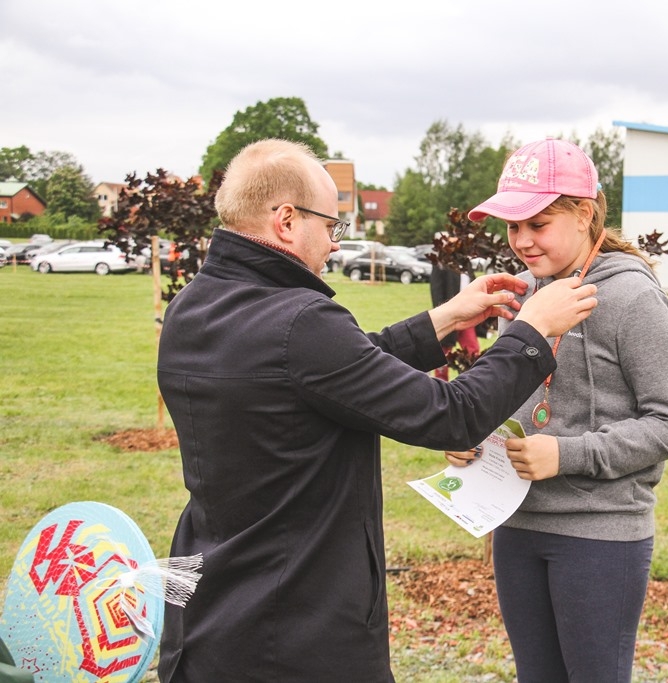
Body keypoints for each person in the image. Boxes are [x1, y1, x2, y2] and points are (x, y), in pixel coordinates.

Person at [155, 138, 598, 683]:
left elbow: (334, 375)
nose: (336, 245)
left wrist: (447, 317)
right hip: (298, 627)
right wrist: (533, 331)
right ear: (287, 222)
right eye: (332, 226)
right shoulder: (300, 322)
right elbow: (451, 414)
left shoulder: (195, 306)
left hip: (211, 610)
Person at [445, 138, 668, 683]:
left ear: (584, 214)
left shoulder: (632, 298)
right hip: (514, 526)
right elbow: (513, 394)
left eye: (538, 224)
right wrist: (475, 432)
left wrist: (567, 454)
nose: (522, 241)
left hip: (599, 535)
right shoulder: (527, 297)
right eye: (513, 227)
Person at [428, 255, 480, 380]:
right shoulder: (441, 260)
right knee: (443, 351)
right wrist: (442, 311)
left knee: (472, 349)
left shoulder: (466, 261)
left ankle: (471, 382)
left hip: (467, 313)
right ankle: (440, 383)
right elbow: (436, 288)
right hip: (449, 313)